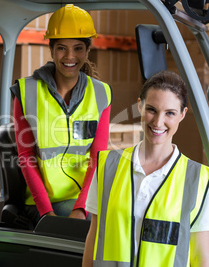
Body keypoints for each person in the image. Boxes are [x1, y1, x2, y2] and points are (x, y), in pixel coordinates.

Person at [83, 70, 209, 266]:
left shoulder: (198, 179)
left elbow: (200, 256)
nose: (158, 122)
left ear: (182, 115)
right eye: (151, 109)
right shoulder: (107, 166)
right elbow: (94, 237)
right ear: (140, 106)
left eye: (170, 113)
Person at [10, 4, 112, 225]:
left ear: (87, 51)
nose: (70, 56)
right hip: (41, 202)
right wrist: (47, 213)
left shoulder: (101, 94)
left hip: (82, 198)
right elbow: (26, 158)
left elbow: (97, 159)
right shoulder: (26, 92)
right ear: (52, 50)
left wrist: (82, 207)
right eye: (61, 48)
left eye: (78, 48)